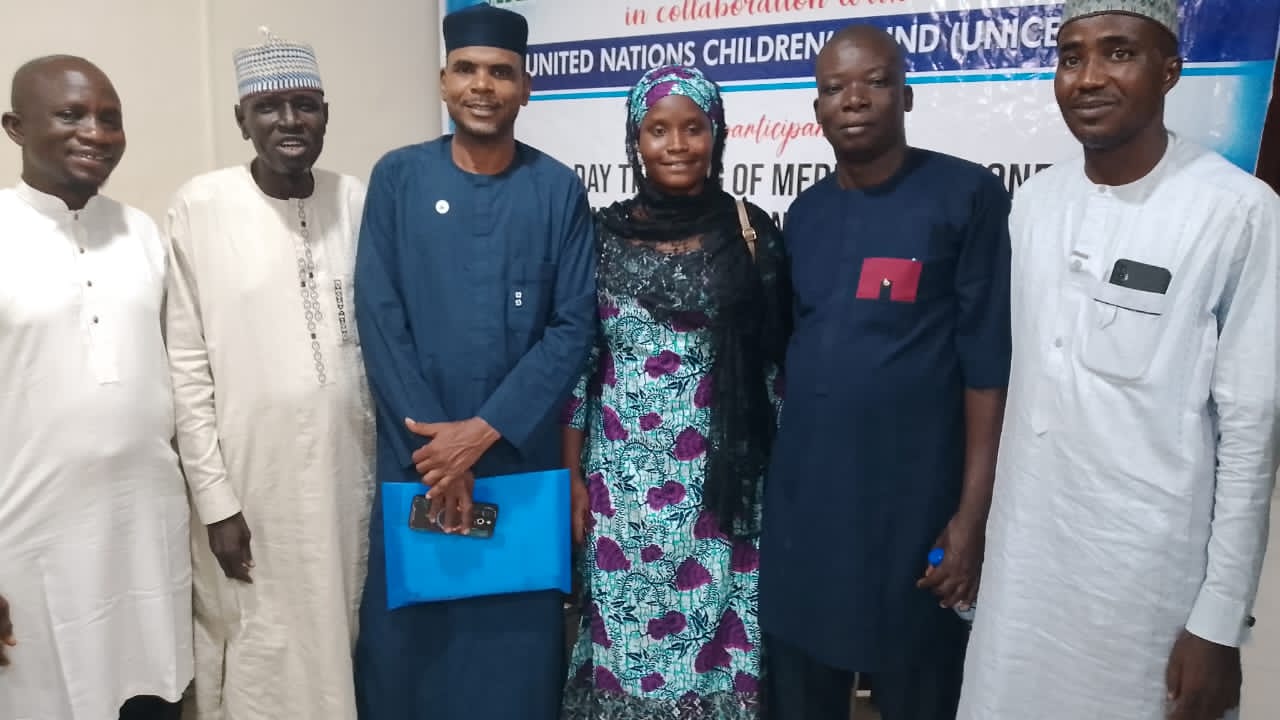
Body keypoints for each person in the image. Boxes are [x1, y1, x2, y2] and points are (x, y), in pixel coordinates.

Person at [956, 1, 1279, 718]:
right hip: (1023, 573)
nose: (1089, 77)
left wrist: (1219, 623)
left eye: (1119, 53)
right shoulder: (1034, 203)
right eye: (1071, 57)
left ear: (1170, 71)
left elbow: (1251, 432)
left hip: (1145, 592)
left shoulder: (1237, 211)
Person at [758, 24, 1012, 720]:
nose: (854, 99)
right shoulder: (804, 215)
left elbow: (988, 368)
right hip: (808, 513)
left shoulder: (965, 196)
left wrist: (971, 518)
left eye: (874, 81)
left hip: (914, 512)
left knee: (918, 692)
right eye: (834, 87)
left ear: (907, 94)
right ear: (817, 109)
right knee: (800, 697)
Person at [351, 4, 597, 720]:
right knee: (411, 653)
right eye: (466, 69)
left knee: (512, 657)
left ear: (526, 88)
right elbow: (380, 316)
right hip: (418, 459)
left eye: (500, 72)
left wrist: (479, 435)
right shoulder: (397, 178)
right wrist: (442, 455)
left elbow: (572, 326)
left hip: (518, 459)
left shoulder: (557, 190)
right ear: (443, 81)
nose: (482, 86)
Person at [560, 65, 790, 719]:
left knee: (720, 647)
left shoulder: (751, 233)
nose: (677, 144)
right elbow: (580, 366)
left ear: (717, 134)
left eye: (694, 128)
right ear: (635, 140)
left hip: (724, 488)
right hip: (622, 492)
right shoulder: (600, 238)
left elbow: (776, 369)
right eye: (658, 130)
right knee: (625, 642)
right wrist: (570, 476)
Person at [164, 29, 374, 720]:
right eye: (268, 107)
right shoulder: (200, 207)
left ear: (325, 115)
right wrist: (216, 502)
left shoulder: (355, 199)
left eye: (305, 105)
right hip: (253, 481)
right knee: (262, 641)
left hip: (349, 473)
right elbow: (186, 369)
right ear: (241, 120)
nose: (289, 121)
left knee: (343, 626)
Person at [0, 55, 193, 720]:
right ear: (15, 127)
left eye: (110, 119)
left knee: (149, 697)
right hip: (29, 549)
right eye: (72, 115)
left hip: (145, 540)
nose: (96, 133)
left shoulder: (142, 233)